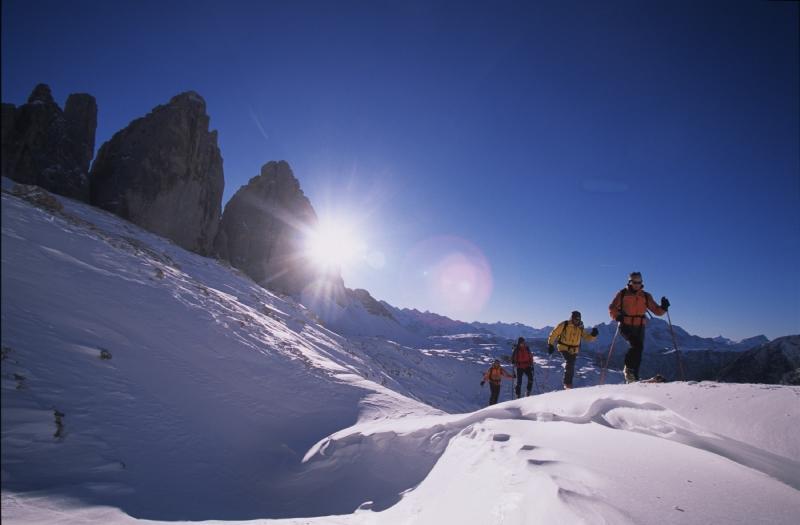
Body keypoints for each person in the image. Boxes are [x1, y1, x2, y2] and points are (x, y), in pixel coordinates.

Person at [608, 271, 670, 383]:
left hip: (640, 327)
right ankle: (628, 370)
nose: (637, 284)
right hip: (625, 325)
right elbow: (612, 307)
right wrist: (617, 317)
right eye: (634, 282)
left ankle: (634, 378)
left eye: (639, 282)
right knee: (635, 345)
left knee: (639, 350)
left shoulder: (645, 296)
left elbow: (656, 311)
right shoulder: (622, 294)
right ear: (630, 282)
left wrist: (664, 307)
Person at [547, 310, 598, 389]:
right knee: (570, 362)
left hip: (574, 350)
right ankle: (567, 384)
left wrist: (593, 335)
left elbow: (586, 338)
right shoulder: (564, 324)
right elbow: (554, 333)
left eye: (578, 319)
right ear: (572, 318)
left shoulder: (580, 327)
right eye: (575, 319)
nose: (577, 321)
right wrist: (550, 344)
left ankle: (569, 384)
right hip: (563, 347)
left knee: (571, 365)